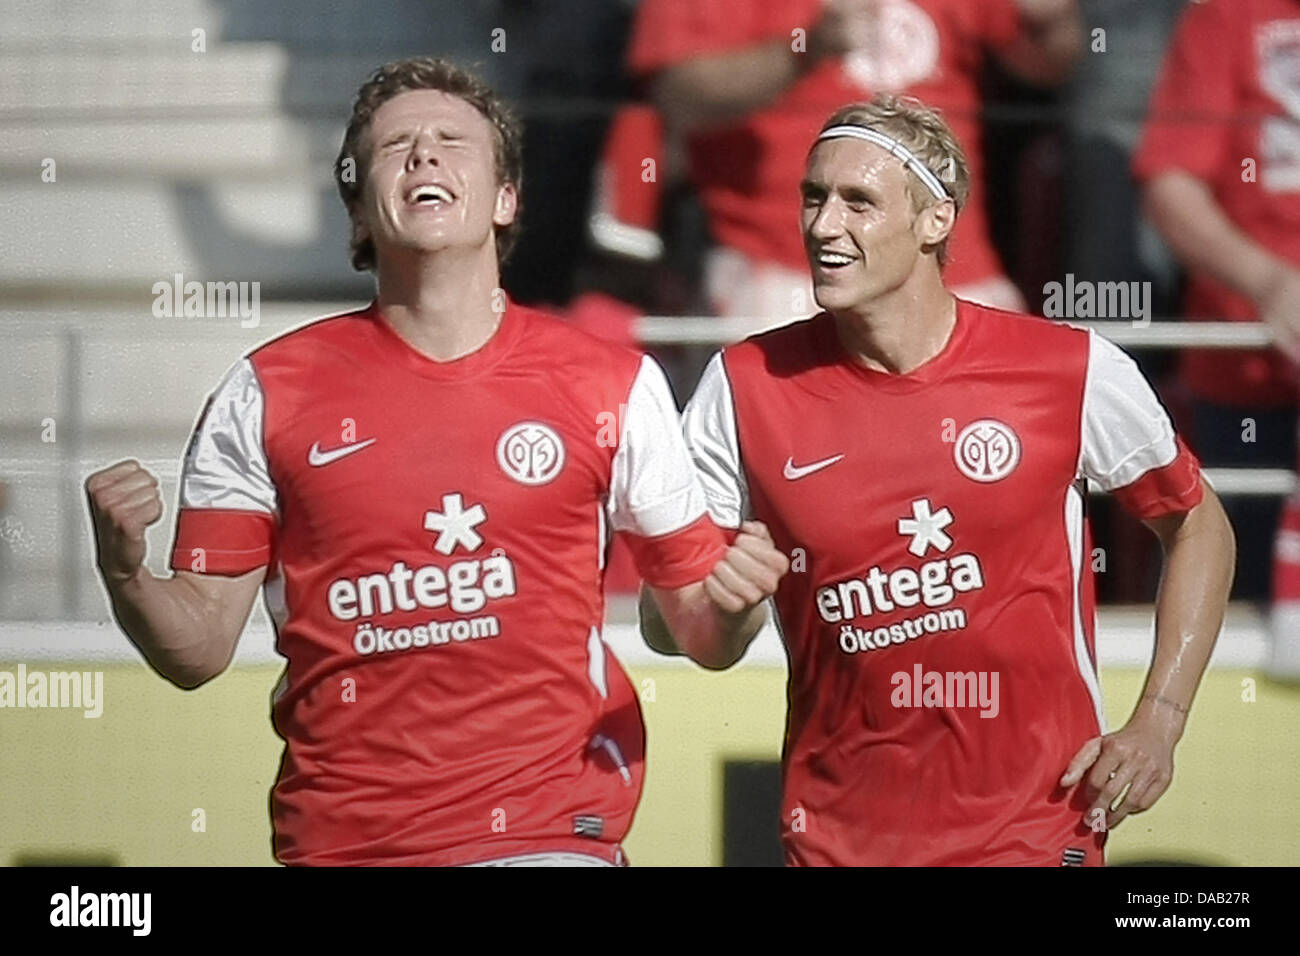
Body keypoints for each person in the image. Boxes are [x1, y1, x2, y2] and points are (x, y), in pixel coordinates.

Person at [84, 57, 783, 867]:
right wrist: (127, 574)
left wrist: (734, 606)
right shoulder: (264, 392)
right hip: (345, 842)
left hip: (547, 834)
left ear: (506, 198)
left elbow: (702, 630)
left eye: (452, 141)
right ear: (356, 214)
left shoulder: (611, 380)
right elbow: (197, 648)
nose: (424, 156)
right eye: (395, 146)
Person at [641, 94, 1236, 866]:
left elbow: (1196, 524)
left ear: (936, 220)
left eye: (859, 202)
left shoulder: (1068, 369)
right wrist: (719, 608)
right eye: (814, 197)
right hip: (836, 842)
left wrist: (1160, 717)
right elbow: (679, 630)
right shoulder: (744, 383)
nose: (824, 227)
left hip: (1034, 831)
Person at [626, 0, 1084, 332]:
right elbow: (680, 92)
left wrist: (1054, 21)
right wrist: (803, 51)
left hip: (953, 266)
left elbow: (1045, 64)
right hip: (784, 267)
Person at [1132, 0, 1300, 676]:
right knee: (1229, 633)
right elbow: (1170, 184)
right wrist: (1271, 284)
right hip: (1246, 385)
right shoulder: (1229, 14)